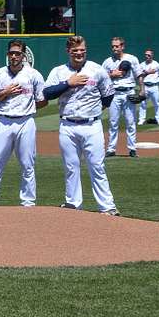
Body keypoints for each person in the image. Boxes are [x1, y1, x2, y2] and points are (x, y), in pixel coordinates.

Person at [43, 35, 120, 215]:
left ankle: (107, 206)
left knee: (97, 166)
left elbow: (108, 94)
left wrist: (99, 108)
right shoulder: (59, 71)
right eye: (75, 50)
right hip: (68, 125)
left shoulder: (97, 70)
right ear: (68, 51)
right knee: (71, 166)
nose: (79, 53)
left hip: (92, 125)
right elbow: (47, 93)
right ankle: (73, 203)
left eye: (82, 50)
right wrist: (68, 84)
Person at [0, 40, 47, 207]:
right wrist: (4, 93)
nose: (14, 56)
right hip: (4, 121)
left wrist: (28, 108)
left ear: (23, 55)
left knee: (27, 164)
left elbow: (42, 100)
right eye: (11, 53)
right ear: (7, 55)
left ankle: (28, 201)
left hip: (26, 121)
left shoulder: (33, 74)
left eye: (17, 53)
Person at [101, 36, 143, 157]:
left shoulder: (132, 59)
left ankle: (132, 148)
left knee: (130, 122)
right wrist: (111, 74)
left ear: (122, 46)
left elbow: (139, 74)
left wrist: (142, 91)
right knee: (113, 122)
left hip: (129, 92)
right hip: (114, 94)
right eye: (113, 46)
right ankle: (111, 149)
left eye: (117, 46)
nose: (114, 48)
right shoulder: (107, 62)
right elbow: (101, 78)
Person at [137, 49, 159, 126]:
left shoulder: (157, 64)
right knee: (143, 104)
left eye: (148, 55)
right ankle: (141, 120)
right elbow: (139, 75)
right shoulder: (142, 65)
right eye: (146, 55)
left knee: (156, 103)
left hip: (154, 86)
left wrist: (155, 79)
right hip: (145, 86)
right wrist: (147, 72)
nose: (147, 56)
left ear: (152, 55)